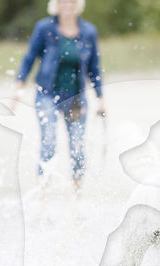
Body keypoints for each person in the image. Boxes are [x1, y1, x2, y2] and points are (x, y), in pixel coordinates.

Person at [13, 0, 105, 189]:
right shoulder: (44, 28)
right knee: (48, 142)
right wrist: (18, 88)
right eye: (63, 0)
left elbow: (94, 68)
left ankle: (77, 194)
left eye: (72, 0)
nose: (68, 4)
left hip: (76, 98)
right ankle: (42, 196)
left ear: (78, 4)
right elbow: (29, 58)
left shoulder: (89, 31)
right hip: (47, 94)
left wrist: (100, 98)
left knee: (78, 145)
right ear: (56, 4)